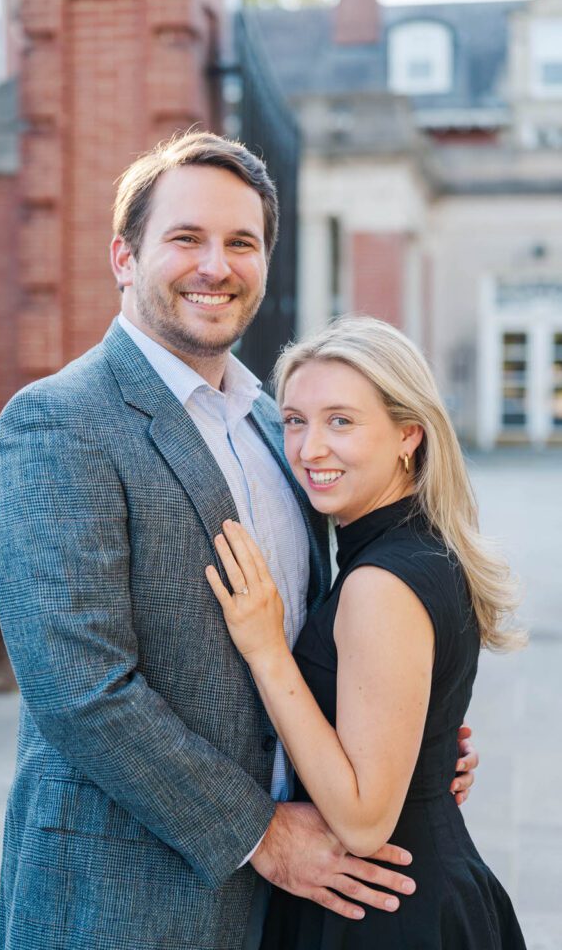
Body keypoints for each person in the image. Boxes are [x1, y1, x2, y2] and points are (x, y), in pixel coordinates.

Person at [0, 133, 476, 950]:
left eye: (241, 243)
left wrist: (395, 743)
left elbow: (327, 626)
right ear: (124, 256)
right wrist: (261, 834)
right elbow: (80, 690)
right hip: (127, 897)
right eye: (185, 238)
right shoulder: (57, 424)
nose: (216, 265)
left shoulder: (275, 427)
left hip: (288, 905)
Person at [207, 314, 526, 949]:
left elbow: (360, 822)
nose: (309, 448)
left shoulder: (379, 584)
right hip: (407, 895)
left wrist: (268, 651)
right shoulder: (419, 547)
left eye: (341, 421)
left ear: (409, 434)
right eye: (295, 420)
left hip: (385, 911)